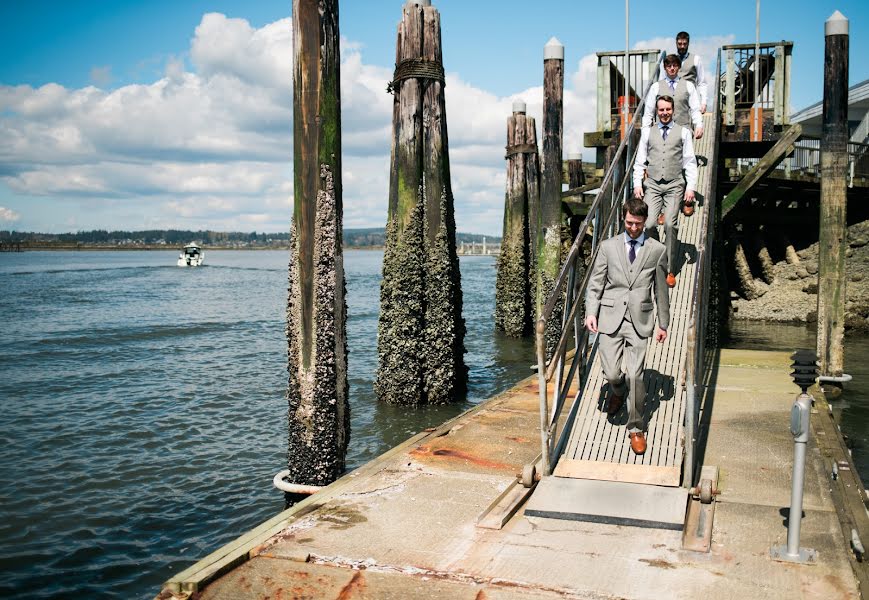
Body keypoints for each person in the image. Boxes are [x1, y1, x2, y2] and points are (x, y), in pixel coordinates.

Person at [584, 197, 670, 455]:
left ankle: (636, 427)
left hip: (640, 320)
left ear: (645, 222)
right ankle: (617, 391)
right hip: (610, 317)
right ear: (624, 219)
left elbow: (661, 290)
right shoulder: (607, 247)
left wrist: (663, 323)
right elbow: (596, 283)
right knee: (612, 374)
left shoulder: (657, 250)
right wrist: (591, 312)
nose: (633, 228)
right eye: (629, 222)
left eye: (638, 224)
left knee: (636, 375)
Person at [634, 95, 698, 288]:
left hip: (674, 184)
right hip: (652, 183)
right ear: (656, 111)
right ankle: (657, 258)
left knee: (670, 224)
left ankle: (669, 269)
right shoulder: (647, 133)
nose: (664, 113)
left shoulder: (683, 132)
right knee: (650, 223)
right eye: (661, 110)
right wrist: (638, 184)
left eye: (667, 109)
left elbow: (690, 162)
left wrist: (691, 188)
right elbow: (640, 161)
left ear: (673, 110)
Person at [641, 54, 704, 140]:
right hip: (661, 134)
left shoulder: (689, 86)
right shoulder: (656, 87)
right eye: (669, 66)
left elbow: (695, 109)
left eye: (674, 65)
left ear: (679, 67)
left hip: (683, 133)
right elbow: (649, 112)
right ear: (664, 67)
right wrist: (645, 130)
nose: (672, 68)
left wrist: (699, 125)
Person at [675, 31, 708, 114]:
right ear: (676, 43)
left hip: (690, 100)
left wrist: (704, 102)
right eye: (679, 44)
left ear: (688, 44)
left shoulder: (696, 59)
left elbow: (702, 82)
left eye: (684, 44)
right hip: (675, 100)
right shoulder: (672, 60)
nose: (682, 46)